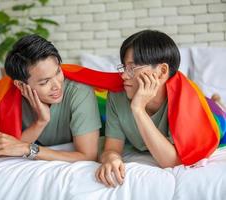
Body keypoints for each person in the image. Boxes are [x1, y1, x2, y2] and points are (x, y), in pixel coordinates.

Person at [95, 30, 224, 187]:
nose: (124, 76)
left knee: (218, 112)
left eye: (132, 68)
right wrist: (111, 158)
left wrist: (138, 108)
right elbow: (112, 148)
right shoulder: (116, 96)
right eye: (124, 68)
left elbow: (171, 161)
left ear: (162, 71)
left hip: (210, 116)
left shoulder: (183, 101)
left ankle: (217, 101)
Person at [0, 34, 101, 162]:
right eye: (44, 82)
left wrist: (29, 149)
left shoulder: (79, 92)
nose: (57, 85)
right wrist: (41, 121)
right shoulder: (9, 97)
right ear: (21, 85)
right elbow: (3, 152)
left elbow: (88, 156)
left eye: (58, 72)